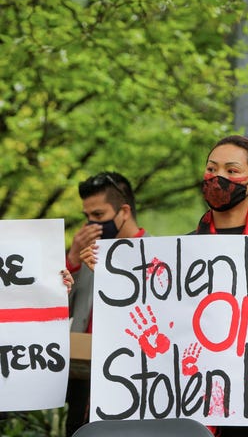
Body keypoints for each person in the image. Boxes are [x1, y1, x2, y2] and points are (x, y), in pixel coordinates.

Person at [65, 171, 148, 436]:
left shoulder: (156, 252)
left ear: (124, 211)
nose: (91, 225)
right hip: (80, 375)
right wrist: (73, 261)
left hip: (128, 378)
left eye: (98, 216)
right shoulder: (91, 252)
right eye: (87, 217)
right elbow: (60, 306)